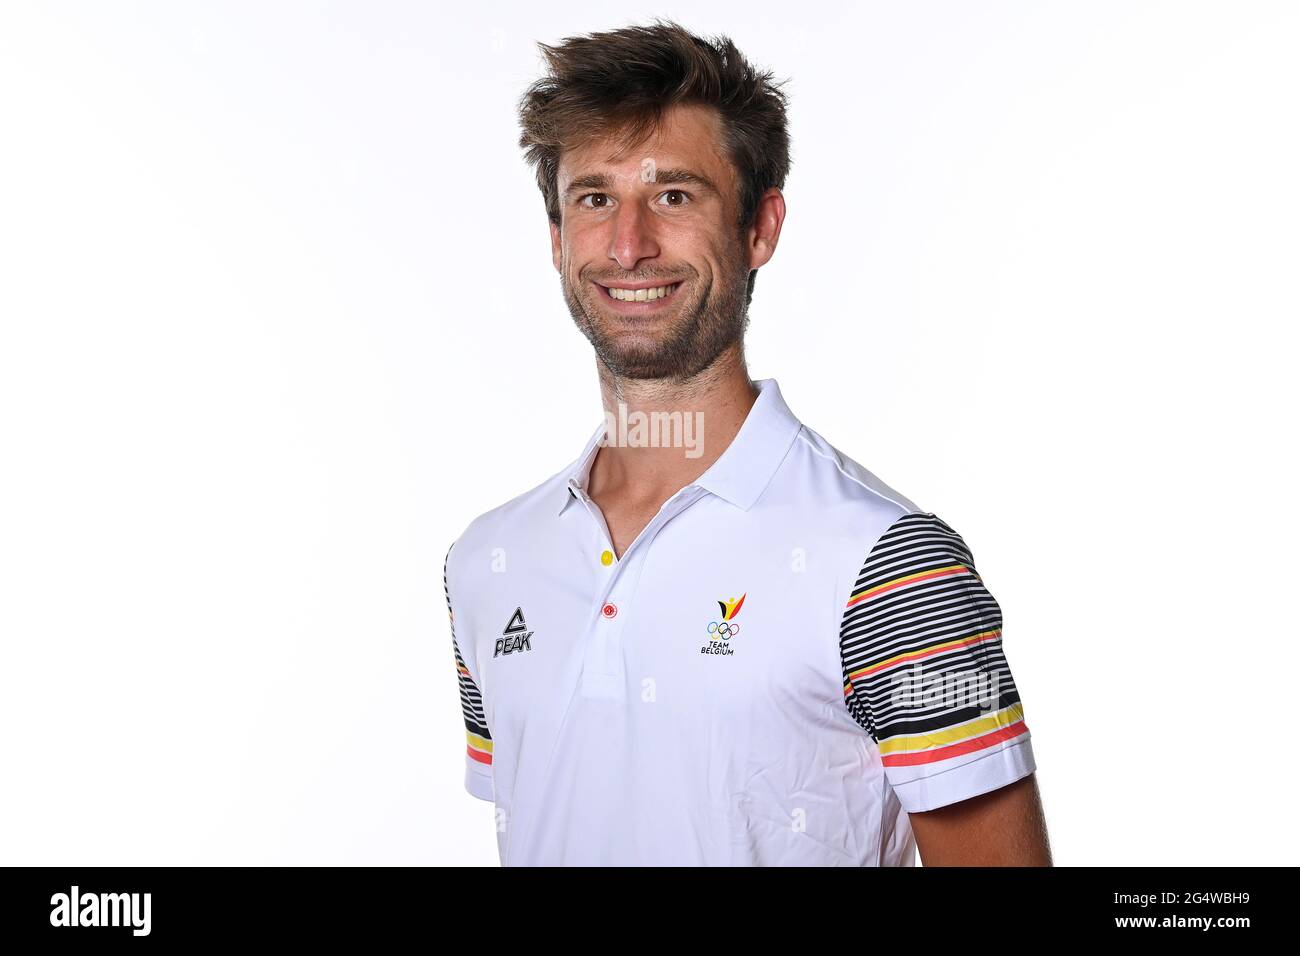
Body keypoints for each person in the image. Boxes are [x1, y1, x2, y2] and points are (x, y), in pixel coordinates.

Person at [443, 19, 1050, 866]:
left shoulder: (890, 566)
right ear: (555, 237)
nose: (629, 245)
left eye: (674, 196)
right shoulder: (485, 562)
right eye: (594, 199)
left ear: (761, 229)